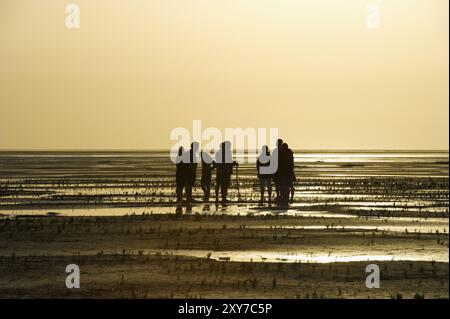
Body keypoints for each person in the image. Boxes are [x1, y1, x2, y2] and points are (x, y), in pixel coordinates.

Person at [272, 138, 283, 205]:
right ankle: (280, 195)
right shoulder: (281, 150)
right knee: (279, 184)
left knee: (278, 184)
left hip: (278, 170)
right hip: (279, 170)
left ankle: (279, 195)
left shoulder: (277, 151)